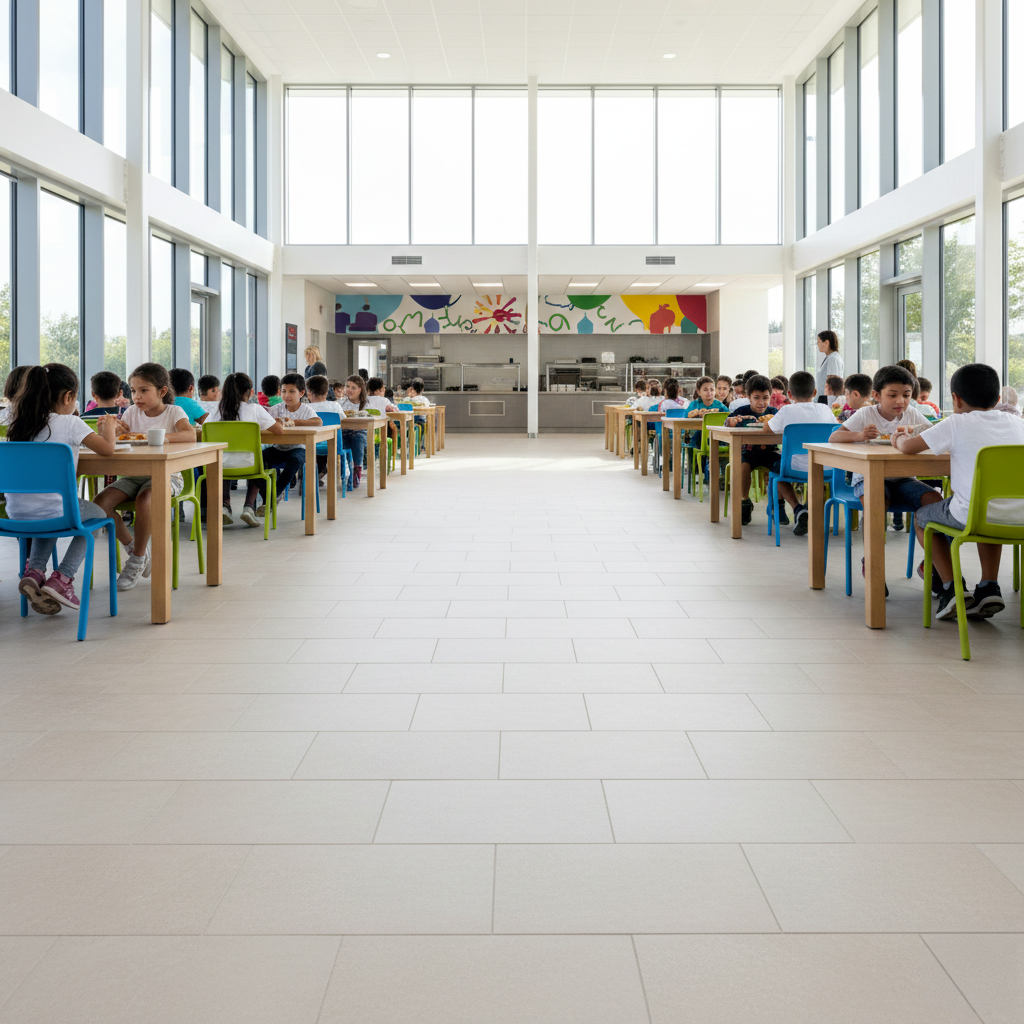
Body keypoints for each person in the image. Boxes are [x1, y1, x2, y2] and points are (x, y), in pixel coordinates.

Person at [896, 362, 1024, 619]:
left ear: (955, 398)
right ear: (998, 399)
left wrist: (896, 438)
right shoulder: (1018, 423)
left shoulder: (957, 422)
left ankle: (951, 588)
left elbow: (909, 448)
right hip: (1019, 516)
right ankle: (989, 586)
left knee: (923, 517)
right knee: (989, 509)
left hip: (972, 515)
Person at [6, 363, 118, 615]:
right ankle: (63, 578)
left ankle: (34, 571)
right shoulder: (71, 423)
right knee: (100, 515)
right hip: (55, 511)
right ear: (68, 397)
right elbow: (108, 450)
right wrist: (109, 430)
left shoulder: (18, 425)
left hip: (16, 515)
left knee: (52, 511)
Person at [91, 363, 195, 591]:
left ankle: (136, 560)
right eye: (134, 391)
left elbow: (190, 434)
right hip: (134, 475)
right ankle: (133, 548)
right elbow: (122, 436)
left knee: (146, 499)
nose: (137, 397)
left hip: (169, 476)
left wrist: (157, 437)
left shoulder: (173, 412)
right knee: (100, 505)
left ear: (162, 391)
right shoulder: (131, 412)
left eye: (144, 390)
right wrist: (112, 431)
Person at [832, 365, 941, 564]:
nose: (901, 401)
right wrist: (860, 435)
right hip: (869, 476)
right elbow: (834, 437)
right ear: (877, 395)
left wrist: (914, 430)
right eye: (892, 395)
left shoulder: (912, 414)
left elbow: (933, 433)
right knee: (876, 503)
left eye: (907, 395)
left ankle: (935, 563)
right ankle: (872, 561)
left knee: (934, 500)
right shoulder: (866, 414)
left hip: (904, 478)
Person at [762, 369, 838, 535]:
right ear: (815, 392)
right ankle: (811, 510)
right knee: (812, 472)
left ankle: (797, 509)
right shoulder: (825, 409)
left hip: (793, 467)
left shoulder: (787, 411)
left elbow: (767, 429)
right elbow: (836, 429)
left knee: (776, 473)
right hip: (825, 467)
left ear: (789, 394)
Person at [204, 372, 284, 527]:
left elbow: (204, 429)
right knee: (260, 457)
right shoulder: (255, 409)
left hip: (219, 466)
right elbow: (279, 431)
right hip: (251, 465)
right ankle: (248, 506)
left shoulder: (216, 410)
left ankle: (224, 506)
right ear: (250, 392)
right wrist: (277, 421)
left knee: (224, 457)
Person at [260, 372, 322, 516]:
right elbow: (265, 420)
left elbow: (318, 422)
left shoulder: (306, 409)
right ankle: (270, 495)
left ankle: (274, 493)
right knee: (259, 458)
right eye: (283, 391)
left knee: (294, 461)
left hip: (298, 448)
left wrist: (295, 422)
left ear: (301, 393)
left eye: (291, 392)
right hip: (278, 447)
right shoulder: (277, 408)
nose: (287, 395)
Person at [725, 374, 781, 526]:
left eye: (765, 398)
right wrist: (732, 421)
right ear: (748, 397)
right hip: (748, 452)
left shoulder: (774, 413)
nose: (761, 402)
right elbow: (727, 423)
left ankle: (778, 504)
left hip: (770, 452)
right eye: (757, 398)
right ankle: (744, 501)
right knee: (743, 467)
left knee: (782, 465)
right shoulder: (741, 411)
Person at [306, 374, 346, 482]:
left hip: (310, 446)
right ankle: (324, 471)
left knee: (314, 442)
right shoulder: (335, 406)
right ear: (327, 391)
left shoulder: (306, 408)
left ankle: (307, 477)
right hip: (333, 445)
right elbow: (343, 420)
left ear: (309, 393)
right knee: (328, 439)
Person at [338, 374, 370, 486]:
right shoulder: (341, 404)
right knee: (341, 443)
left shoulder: (367, 404)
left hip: (360, 430)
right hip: (344, 431)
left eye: (353, 388)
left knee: (358, 440)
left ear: (360, 389)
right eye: (347, 387)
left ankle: (356, 473)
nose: (349, 390)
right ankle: (345, 471)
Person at [814, 330, 844, 404]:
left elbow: (832, 382)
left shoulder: (833, 358)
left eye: (819, 341)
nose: (817, 344)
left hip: (827, 400)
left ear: (826, 343)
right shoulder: (830, 357)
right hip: (824, 399)